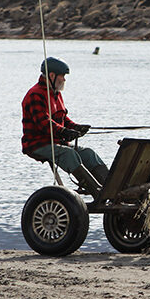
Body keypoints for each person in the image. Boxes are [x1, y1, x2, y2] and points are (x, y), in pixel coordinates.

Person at [21, 57, 108, 199]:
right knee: (69, 154)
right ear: (52, 75)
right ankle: (97, 194)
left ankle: (110, 189)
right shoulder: (35, 94)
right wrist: (63, 132)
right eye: (63, 76)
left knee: (88, 153)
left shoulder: (56, 93)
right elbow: (44, 123)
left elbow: (63, 119)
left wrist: (76, 128)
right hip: (38, 144)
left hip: (57, 142)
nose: (64, 80)